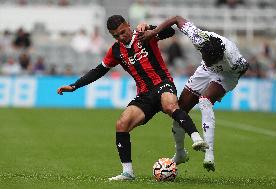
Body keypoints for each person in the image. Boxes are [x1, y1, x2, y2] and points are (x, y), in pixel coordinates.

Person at [57, 15, 208, 181]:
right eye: (116, 35)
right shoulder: (116, 50)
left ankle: (196, 138)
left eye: (123, 32)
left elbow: (170, 32)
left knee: (169, 106)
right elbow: (99, 70)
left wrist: (151, 27)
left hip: (162, 83)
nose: (121, 37)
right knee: (122, 124)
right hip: (144, 94)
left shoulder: (143, 35)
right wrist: (75, 85)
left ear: (128, 25)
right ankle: (127, 172)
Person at [138, 16, 249, 172]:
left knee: (205, 100)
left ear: (219, 57)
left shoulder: (234, 60)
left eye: (212, 60)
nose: (208, 60)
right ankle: (180, 153)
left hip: (227, 76)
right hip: (204, 72)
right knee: (180, 110)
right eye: (206, 57)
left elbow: (244, 69)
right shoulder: (198, 37)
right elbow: (176, 19)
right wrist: (154, 31)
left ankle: (209, 154)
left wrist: (221, 91)